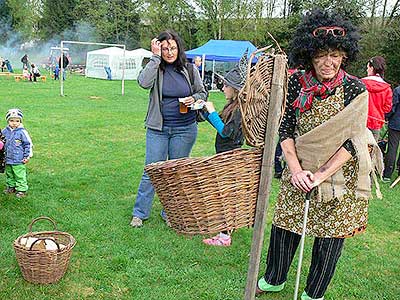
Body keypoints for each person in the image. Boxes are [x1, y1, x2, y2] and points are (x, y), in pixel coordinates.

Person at [255, 9, 382, 300]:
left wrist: (320, 176)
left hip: (338, 173)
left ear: (344, 56)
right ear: (309, 55)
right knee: (286, 225)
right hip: (298, 165)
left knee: (329, 236)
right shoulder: (297, 83)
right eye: (321, 55)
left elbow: (354, 140)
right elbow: (285, 129)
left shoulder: (355, 88)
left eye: (335, 55)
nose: (328, 62)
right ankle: (274, 279)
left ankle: (314, 293)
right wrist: (297, 171)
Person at [130, 30, 207, 228]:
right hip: (158, 129)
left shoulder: (189, 69)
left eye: (172, 48)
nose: (169, 52)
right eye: (164, 49)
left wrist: (195, 99)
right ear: (159, 50)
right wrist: (154, 57)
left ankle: (170, 213)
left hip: (185, 129)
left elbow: (202, 92)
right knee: (152, 170)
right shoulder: (156, 67)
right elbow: (143, 82)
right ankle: (140, 213)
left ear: (178, 48)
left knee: (175, 172)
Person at [201, 50, 248, 246]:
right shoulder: (232, 105)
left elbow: (227, 133)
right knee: (224, 193)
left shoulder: (239, 109)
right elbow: (220, 125)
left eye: (226, 85)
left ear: (235, 88)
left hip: (230, 157)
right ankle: (225, 231)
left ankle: (224, 236)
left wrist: (211, 112)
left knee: (225, 194)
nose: (223, 88)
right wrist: (203, 111)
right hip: (225, 155)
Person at [2, 108, 33, 198]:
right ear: (8, 121)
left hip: (19, 159)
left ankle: (21, 190)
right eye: (11, 120)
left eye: (17, 121)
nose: (14, 123)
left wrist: (27, 156)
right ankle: (11, 187)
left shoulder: (22, 132)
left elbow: (28, 144)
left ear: (20, 121)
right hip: (7, 158)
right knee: (9, 174)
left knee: (19, 175)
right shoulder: (5, 131)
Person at [362, 56, 392, 141]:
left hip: (360, 120)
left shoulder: (360, 84)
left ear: (372, 68)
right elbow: (387, 108)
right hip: (376, 122)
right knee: (371, 149)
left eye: (367, 67)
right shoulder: (387, 88)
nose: (366, 70)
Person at [383, 84, 400, 182]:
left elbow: (392, 107)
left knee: (392, 148)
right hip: (396, 122)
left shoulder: (398, 90)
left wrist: (387, 117)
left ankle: (387, 174)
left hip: (396, 123)